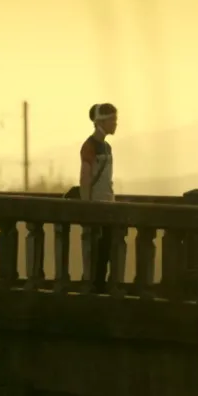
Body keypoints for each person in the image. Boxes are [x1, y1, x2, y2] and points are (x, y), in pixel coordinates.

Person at [79, 102, 117, 292]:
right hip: (96, 205)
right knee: (95, 250)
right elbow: (85, 178)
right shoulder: (89, 146)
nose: (115, 124)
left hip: (108, 204)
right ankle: (94, 286)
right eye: (112, 120)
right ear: (101, 121)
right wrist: (86, 207)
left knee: (106, 249)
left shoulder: (107, 147)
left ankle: (101, 285)